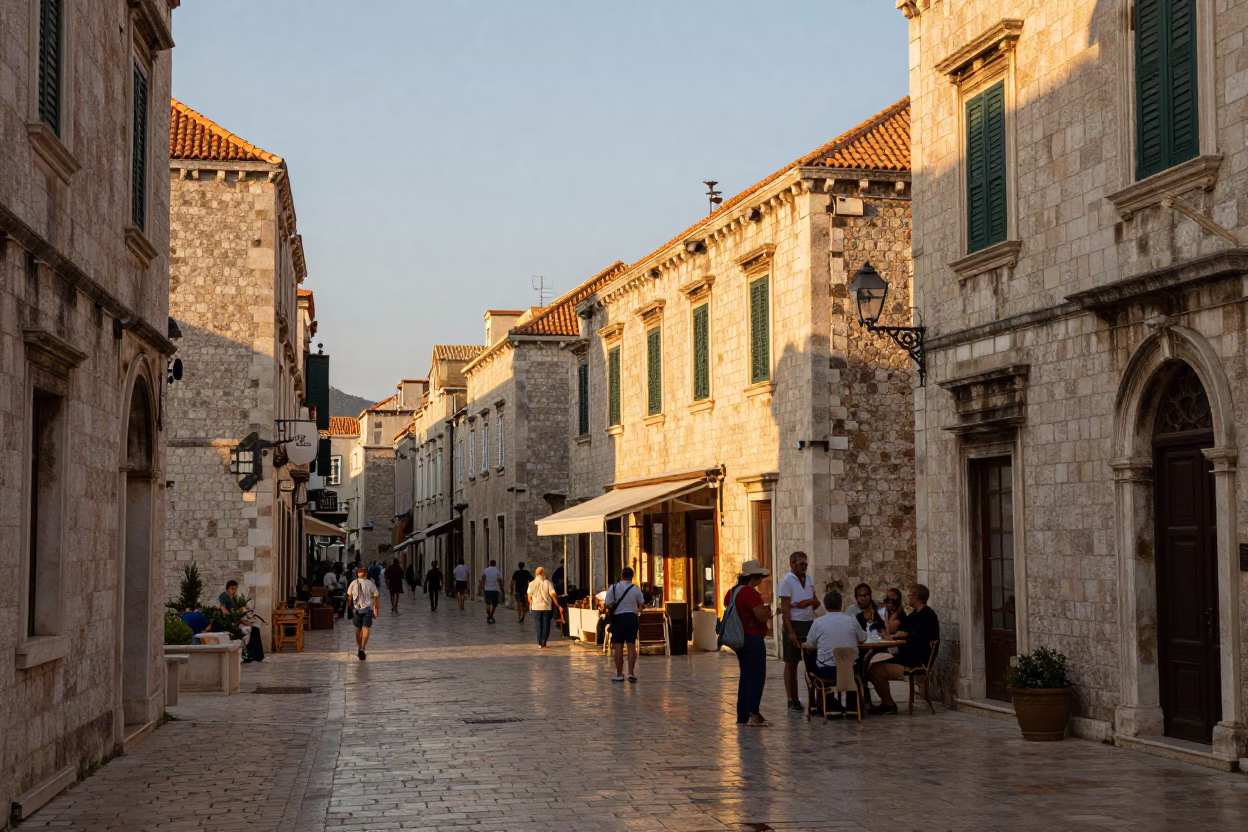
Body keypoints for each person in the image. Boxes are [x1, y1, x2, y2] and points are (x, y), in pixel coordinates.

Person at [867, 583, 940, 715]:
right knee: (871, 664)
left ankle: (888, 704)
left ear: (916, 597)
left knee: (874, 669)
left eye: (910, 595)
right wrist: (894, 614)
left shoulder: (926, 615)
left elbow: (914, 636)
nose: (907, 597)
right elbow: (900, 628)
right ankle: (886, 703)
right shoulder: (916, 613)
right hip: (908, 657)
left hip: (915, 661)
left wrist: (896, 637)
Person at [803, 591, 869, 714]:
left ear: (825, 605)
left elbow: (809, 644)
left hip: (827, 671)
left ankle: (822, 697)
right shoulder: (851, 620)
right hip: (849, 670)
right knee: (857, 658)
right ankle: (853, 704)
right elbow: (863, 638)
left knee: (809, 654)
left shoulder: (818, 622)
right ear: (841, 604)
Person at [725, 560, 772, 726]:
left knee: (745, 675)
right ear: (754, 577)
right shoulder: (751, 593)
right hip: (752, 637)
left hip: (739, 639)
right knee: (757, 676)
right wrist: (769, 613)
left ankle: (742, 714)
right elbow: (760, 616)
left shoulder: (732, 592)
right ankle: (754, 713)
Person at [778, 551, 820, 713]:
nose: (804, 567)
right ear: (792, 564)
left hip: (809, 623)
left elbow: (815, 601)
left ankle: (815, 697)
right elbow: (786, 609)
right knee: (791, 663)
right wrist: (790, 632)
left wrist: (807, 602)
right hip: (794, 624)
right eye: (801, 564)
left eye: (806, 564)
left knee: (812, 661)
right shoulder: (787, 582)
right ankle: (791, 699)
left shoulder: (808, 579)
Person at [601, 567, 644, 683]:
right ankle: (631, 673)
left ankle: (619, 674)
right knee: (631, 645)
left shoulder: (613, 588)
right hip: (631, 618)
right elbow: (641, 602)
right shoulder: (635, 589)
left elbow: (607, 603)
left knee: (618, 646)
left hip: (618, 618)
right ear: (632, 576)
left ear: (621, 575)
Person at [346, 565, 380, 661]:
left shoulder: (353, 583)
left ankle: (359, 647)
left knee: (358, 629)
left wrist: (348, 607)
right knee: (366, 629)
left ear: (358, 573)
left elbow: (349, 597)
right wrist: (376, 610)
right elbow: (376, 597)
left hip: (356, 609)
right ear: (366, 573)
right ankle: (362, 648)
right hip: (368, 609)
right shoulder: (370, 583)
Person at [528, 566, 559, 648]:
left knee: (538, 624)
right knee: (546, 624)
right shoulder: (547, 583)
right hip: (546, 607)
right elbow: (553, 594)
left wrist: (532, 602)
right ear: (543, 573)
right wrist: (557, 604)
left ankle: (539, 641)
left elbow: (529, 597)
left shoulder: (531, 584)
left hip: (536, 607)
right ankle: (544, 641)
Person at [480, 559, 503, 624]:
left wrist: (482, 586)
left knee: (488, 603)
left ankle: (489, 616)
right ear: (495, 564)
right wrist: (501, 590)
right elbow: (500, 581)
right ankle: (490, 616)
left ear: (490, 563)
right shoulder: (497, 571)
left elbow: (483, 578)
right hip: (494, 589)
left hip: (487, 589)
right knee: (495, 604)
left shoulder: (486, 570)